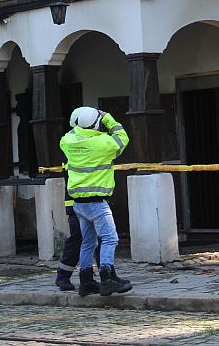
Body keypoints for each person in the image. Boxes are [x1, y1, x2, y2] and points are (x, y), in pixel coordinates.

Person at [60, 106, 132, 297]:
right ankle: (107, 279)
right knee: (110, 238)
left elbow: (72, 130)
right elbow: (122, 137)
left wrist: (80, 119)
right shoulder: (102, 143)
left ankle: (86, 282)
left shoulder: (67, 142)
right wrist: (107, 117)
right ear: (97, 124)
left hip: (78, 204)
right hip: (97, 203)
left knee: (87, 242)